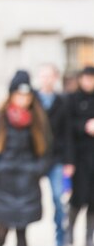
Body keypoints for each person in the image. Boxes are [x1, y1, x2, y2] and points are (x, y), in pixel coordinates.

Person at [0, 70, 51, 246]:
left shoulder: (38, 120)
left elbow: (47, 150)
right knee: (1, 233)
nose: (23, 99)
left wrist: (38, 169)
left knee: (22, 234)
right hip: (3, 184)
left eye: (27, 95)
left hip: (27, 184)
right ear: (11, 95)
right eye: (19, 94)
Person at [34, 63, 71, 246]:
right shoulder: (31, 99)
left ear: (56, 78)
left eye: (49, 76)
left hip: (56, 158)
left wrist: (69, 161)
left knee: (58, 197)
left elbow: (67, 133)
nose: (46, 79)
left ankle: (60, 238)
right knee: (26, 197)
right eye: (43, 75)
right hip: (35, 157)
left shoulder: (63, 101)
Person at [65, 66, 94, 246]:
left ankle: (89, 237)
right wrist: (85, 126)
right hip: (79, 159)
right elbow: (67, 131)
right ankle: (70, 231)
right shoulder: (72, 99)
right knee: (77, 199)